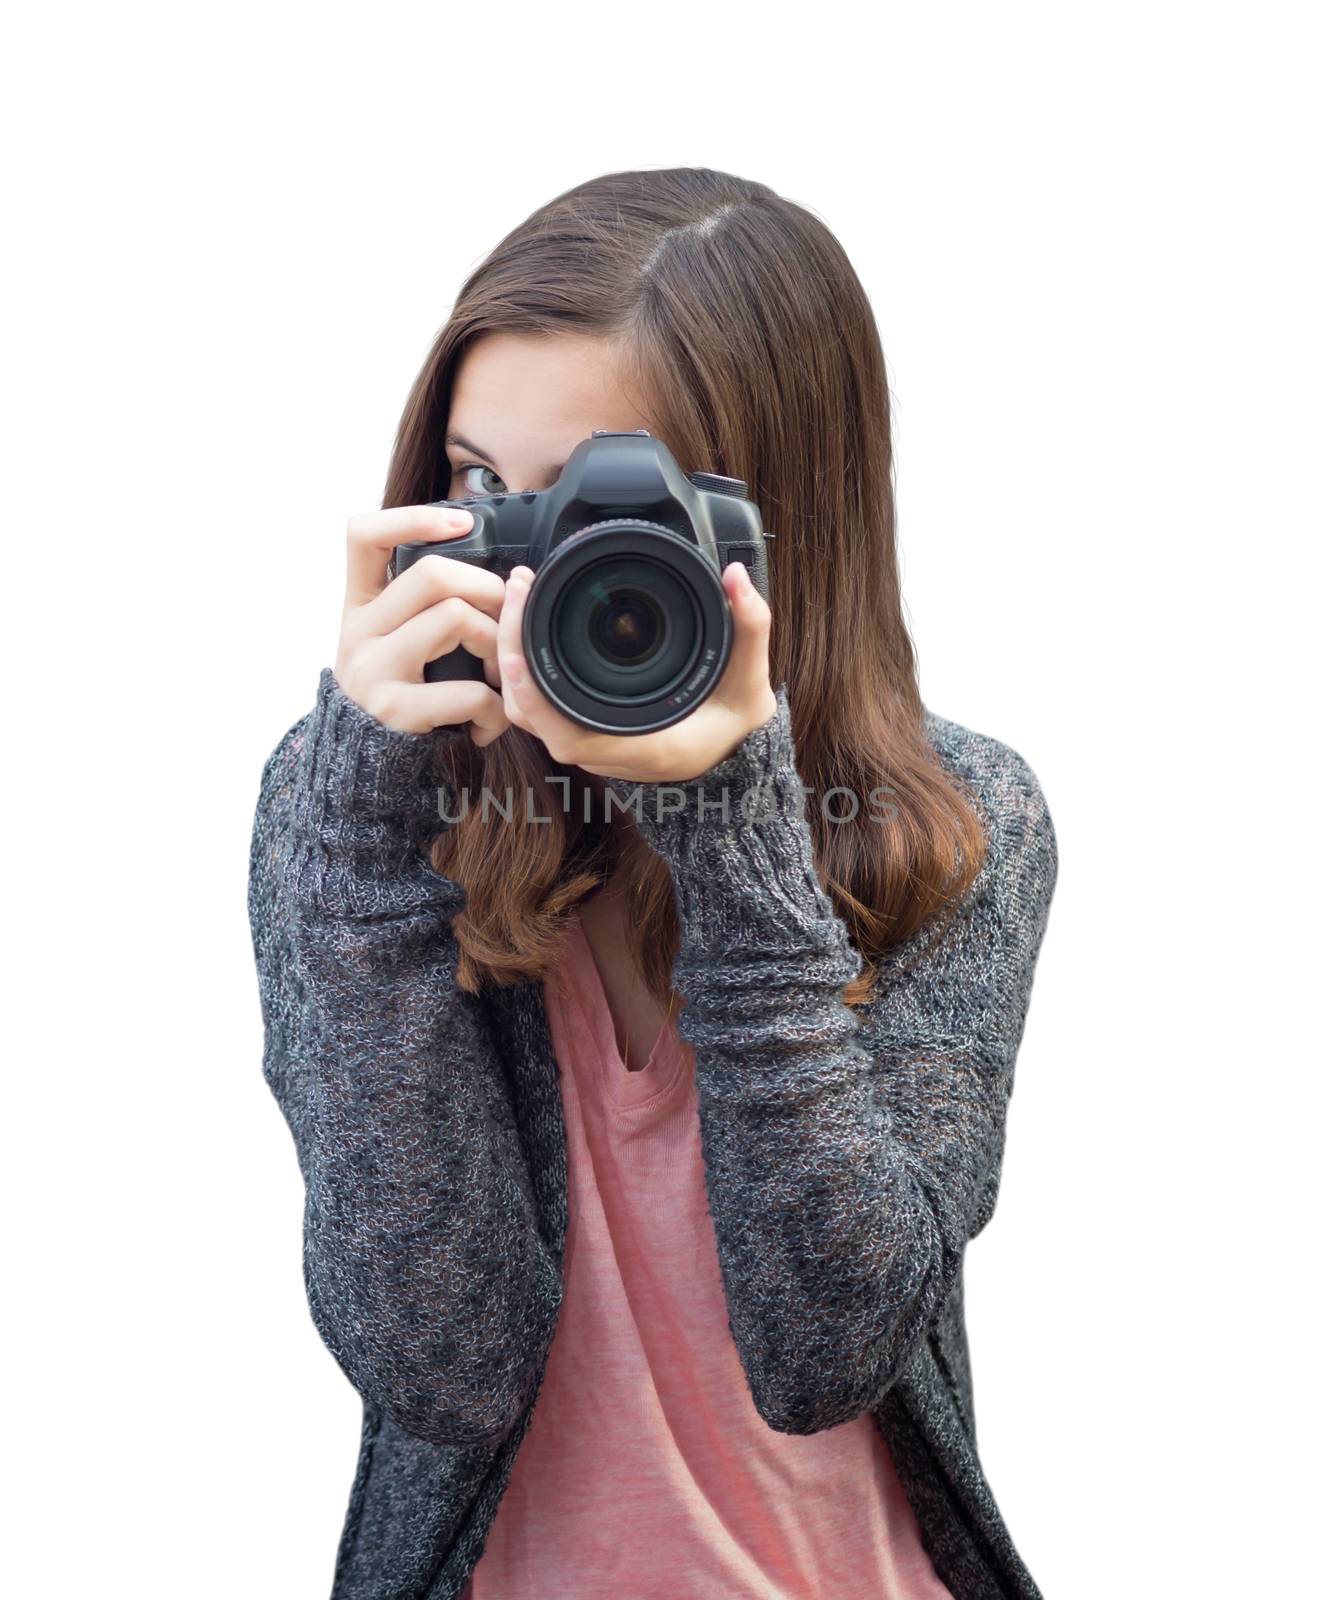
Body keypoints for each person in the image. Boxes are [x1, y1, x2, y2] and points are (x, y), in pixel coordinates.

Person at [247, 166, 1059, 1600]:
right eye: (486, 489)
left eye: (608, 512)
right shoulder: (355, 812)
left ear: (778, 522)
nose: (540, 569)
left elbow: (829, 1353)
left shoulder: (956, 823)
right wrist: (366, 845)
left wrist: (734, 828)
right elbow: (439, 1366)